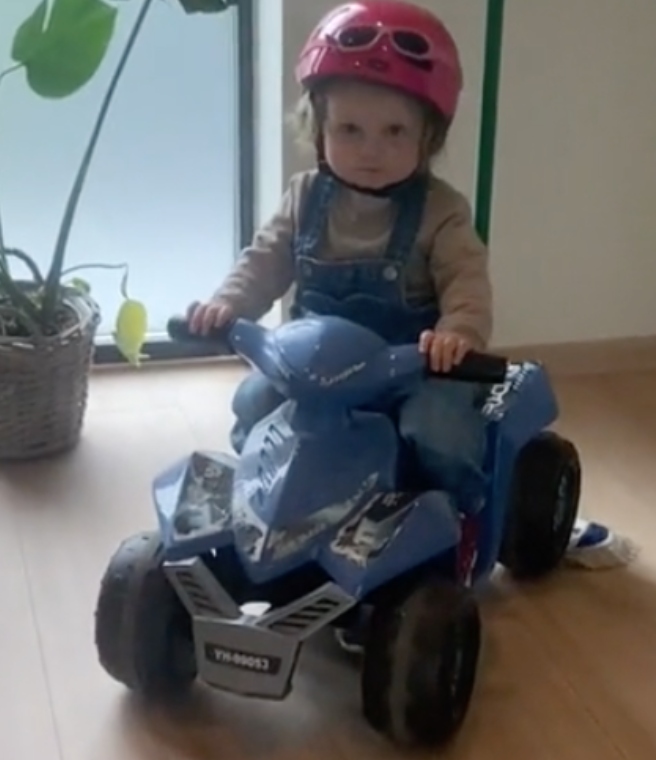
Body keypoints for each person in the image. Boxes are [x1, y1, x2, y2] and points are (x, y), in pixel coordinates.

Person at [189, 1, 637, 649]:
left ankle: (448, 538)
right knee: (255, 405)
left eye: (394, 132)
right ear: (317, 127)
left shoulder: (441, 213)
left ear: (429, 137)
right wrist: (228, 306)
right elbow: (263, 262)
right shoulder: (305, 197)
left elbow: (467, 285)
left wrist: (457, 330)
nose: (370, 150)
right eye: (350, 129)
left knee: (440, 437)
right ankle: (277, 520)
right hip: (319, 379)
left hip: (413, 369)